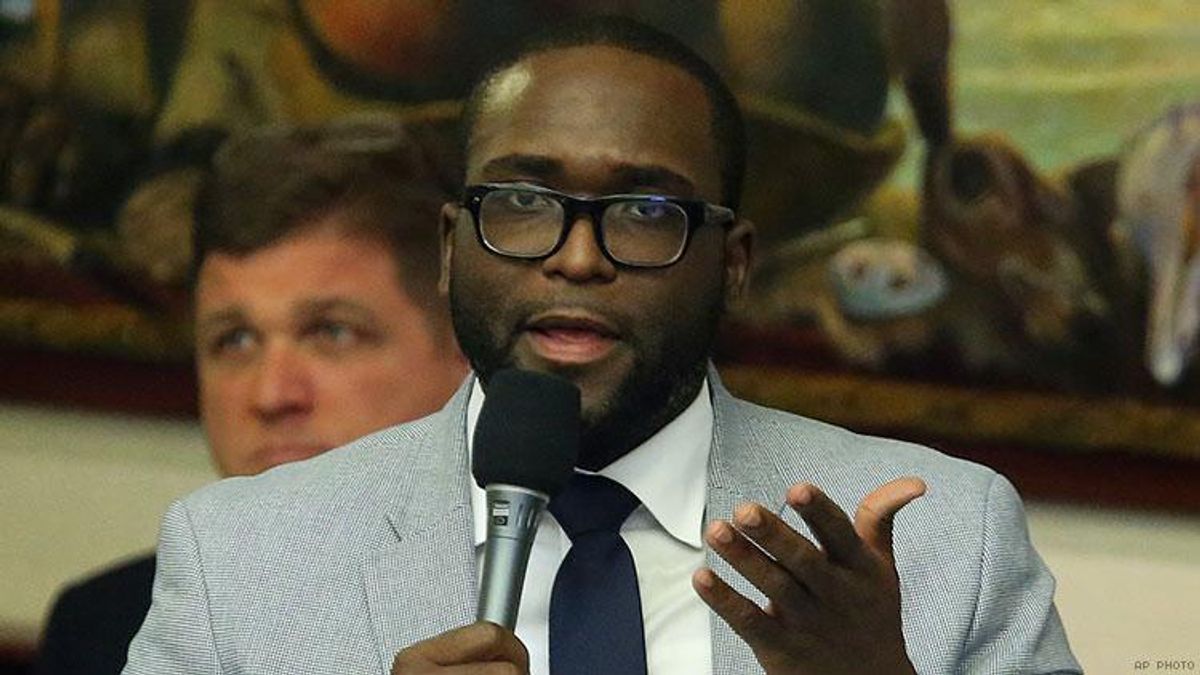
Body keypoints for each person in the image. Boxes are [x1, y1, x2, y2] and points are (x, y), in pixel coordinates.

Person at [124, 17, 1081, 675]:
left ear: (734, 265)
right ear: (452, 251)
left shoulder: (945, 539)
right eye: (523, 201)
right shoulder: (244, 559)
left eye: (645, 210)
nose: (578, 258)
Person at [35, 115, 468, 675]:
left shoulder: (542, 595)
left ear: (465, 351)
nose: (270, 394)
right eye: (234, 340)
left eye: (331, 332)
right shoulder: (106, 627)